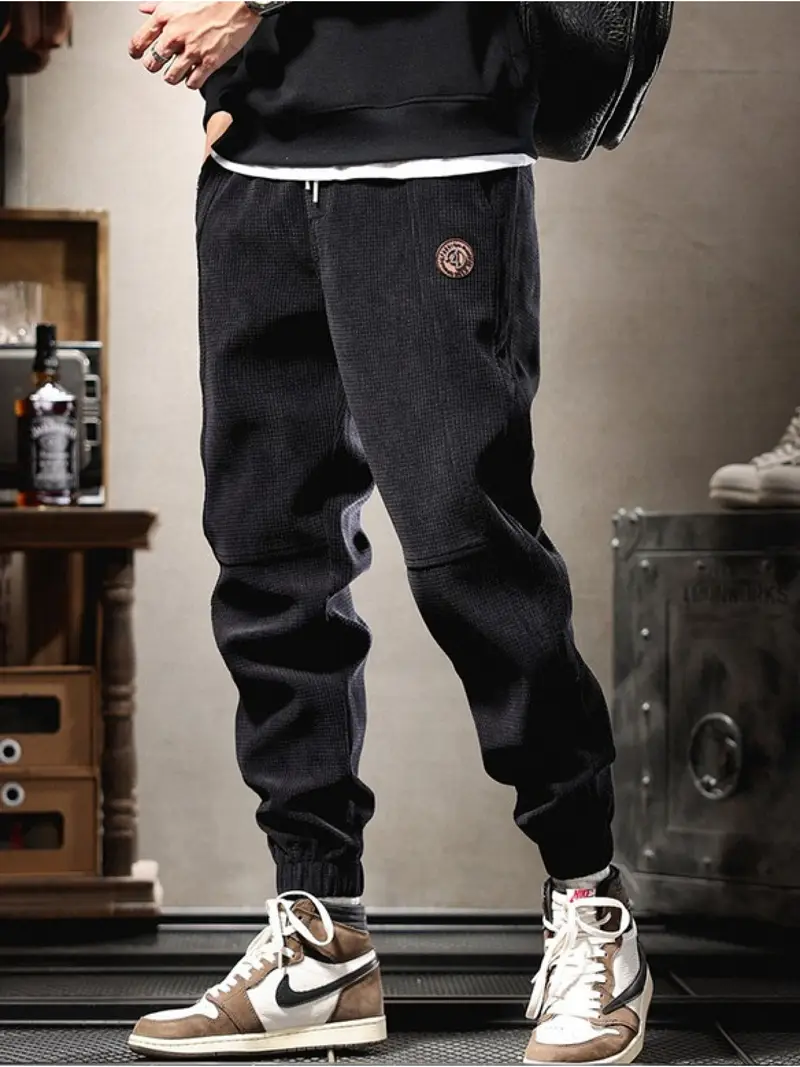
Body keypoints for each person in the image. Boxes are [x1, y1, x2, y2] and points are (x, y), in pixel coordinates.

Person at [126, 3, 651, 1064]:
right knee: (269, 555)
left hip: (431, 145)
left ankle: (590, 902)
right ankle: (320, 930)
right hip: (260, 161)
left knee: (470, 549)